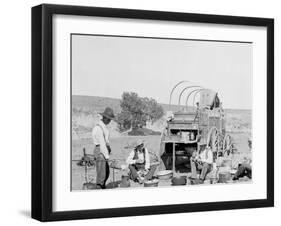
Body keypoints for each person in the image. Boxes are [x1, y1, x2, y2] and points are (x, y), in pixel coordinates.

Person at [92, 107, 114, 189]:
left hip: (104, 151)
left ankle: (102, 186)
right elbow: (102, 144)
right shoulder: (98, 128)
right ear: (104, 118)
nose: (109, 121)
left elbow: (106, 142)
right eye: (108, 119)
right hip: (100, 151)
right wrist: (107, 157)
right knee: (102, 175)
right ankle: (99, 188)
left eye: (110, 119)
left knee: (106, 172)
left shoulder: (104, 127)